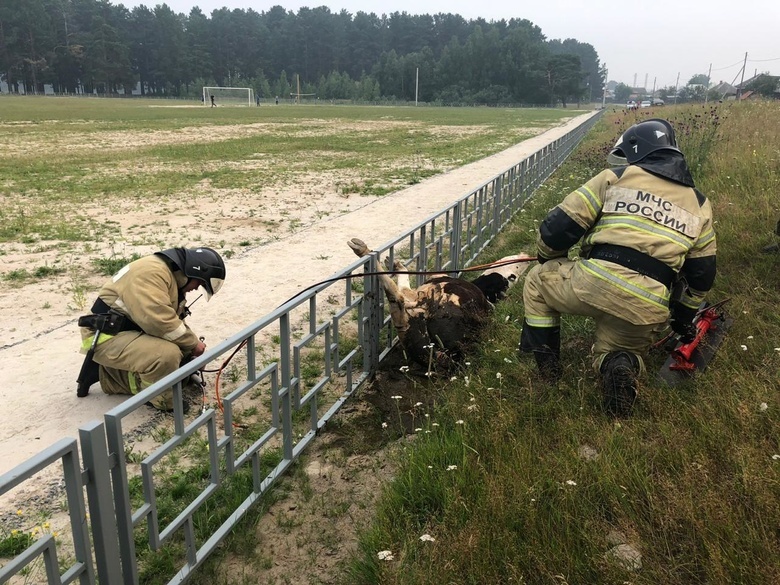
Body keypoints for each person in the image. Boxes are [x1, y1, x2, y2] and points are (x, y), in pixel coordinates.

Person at [518, 118, 717, 417]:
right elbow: (703, 275)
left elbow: (558, 228)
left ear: (637, 151)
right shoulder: (700, 204)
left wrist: (548, 259)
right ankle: (619, 366)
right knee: (621, 351)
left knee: (536, 281)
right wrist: (682, 317)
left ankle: (548, 370)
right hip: (647, 305)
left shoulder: (617, 176)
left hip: (594, 282)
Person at [77, 247, 226, 411]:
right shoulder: (152, 273)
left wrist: (190, 350)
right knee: (165, 355)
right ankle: (159, 399)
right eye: (200, 283)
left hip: (125, 330)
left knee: (183, 356)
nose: (197, 288)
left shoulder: (166, 274)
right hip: (105, 336)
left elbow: (171, 321)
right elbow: (159, 321)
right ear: (193, 272)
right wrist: (193, 344)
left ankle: (120, 374)